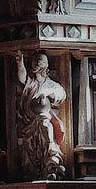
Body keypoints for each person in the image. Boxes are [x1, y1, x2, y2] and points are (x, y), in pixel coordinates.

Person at [14, 50, 66, 179]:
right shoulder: (31, 83)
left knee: (45, 126)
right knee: (28, 143)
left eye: (40, 62)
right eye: (35, 62)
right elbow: (22, 78)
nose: (37, 64)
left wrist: (48, 92)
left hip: (46, 120)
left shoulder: (52, 84)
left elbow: (61, 94)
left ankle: (51, 164)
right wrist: (20, 64)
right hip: (30, 122)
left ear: (46, 65)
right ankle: (32, 170)